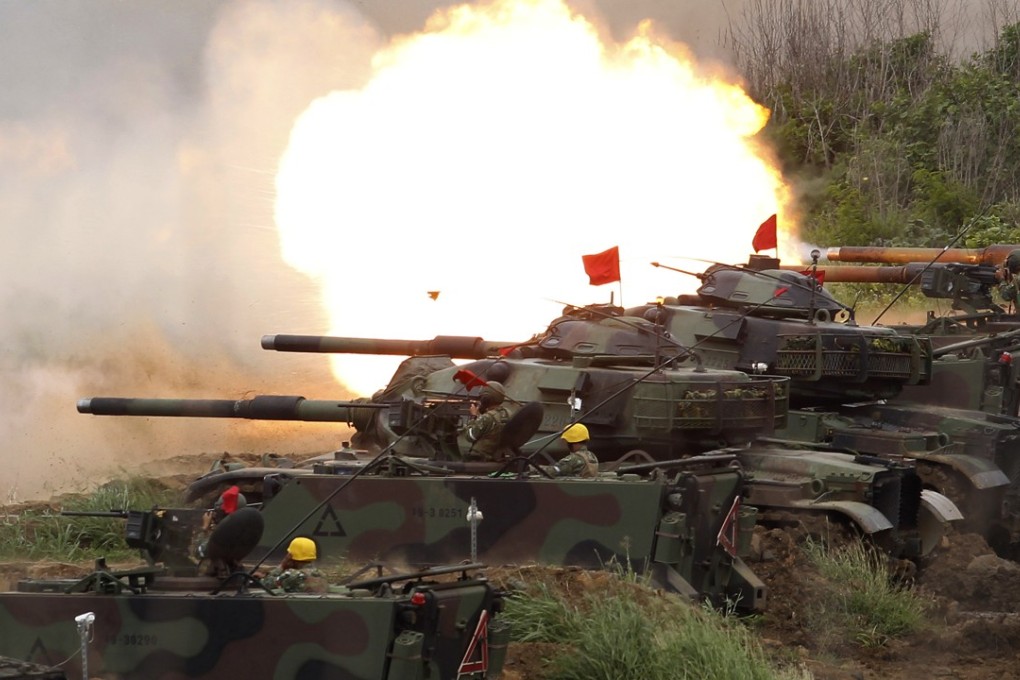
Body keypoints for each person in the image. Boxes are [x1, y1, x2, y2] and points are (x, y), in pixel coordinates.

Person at [461, 381, 512, 461]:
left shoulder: (486, 417)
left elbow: (470, 437)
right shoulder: (508, 413)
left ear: (486, 399)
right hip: (497, 456)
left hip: (480, 458)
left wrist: (473, 416)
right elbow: (490, 427)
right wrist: (479, 417)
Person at [259, 537, 327, 593]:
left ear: (290, 555)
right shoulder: (321, 574)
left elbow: (266, 583)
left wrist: (282, 565)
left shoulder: (292, 575)